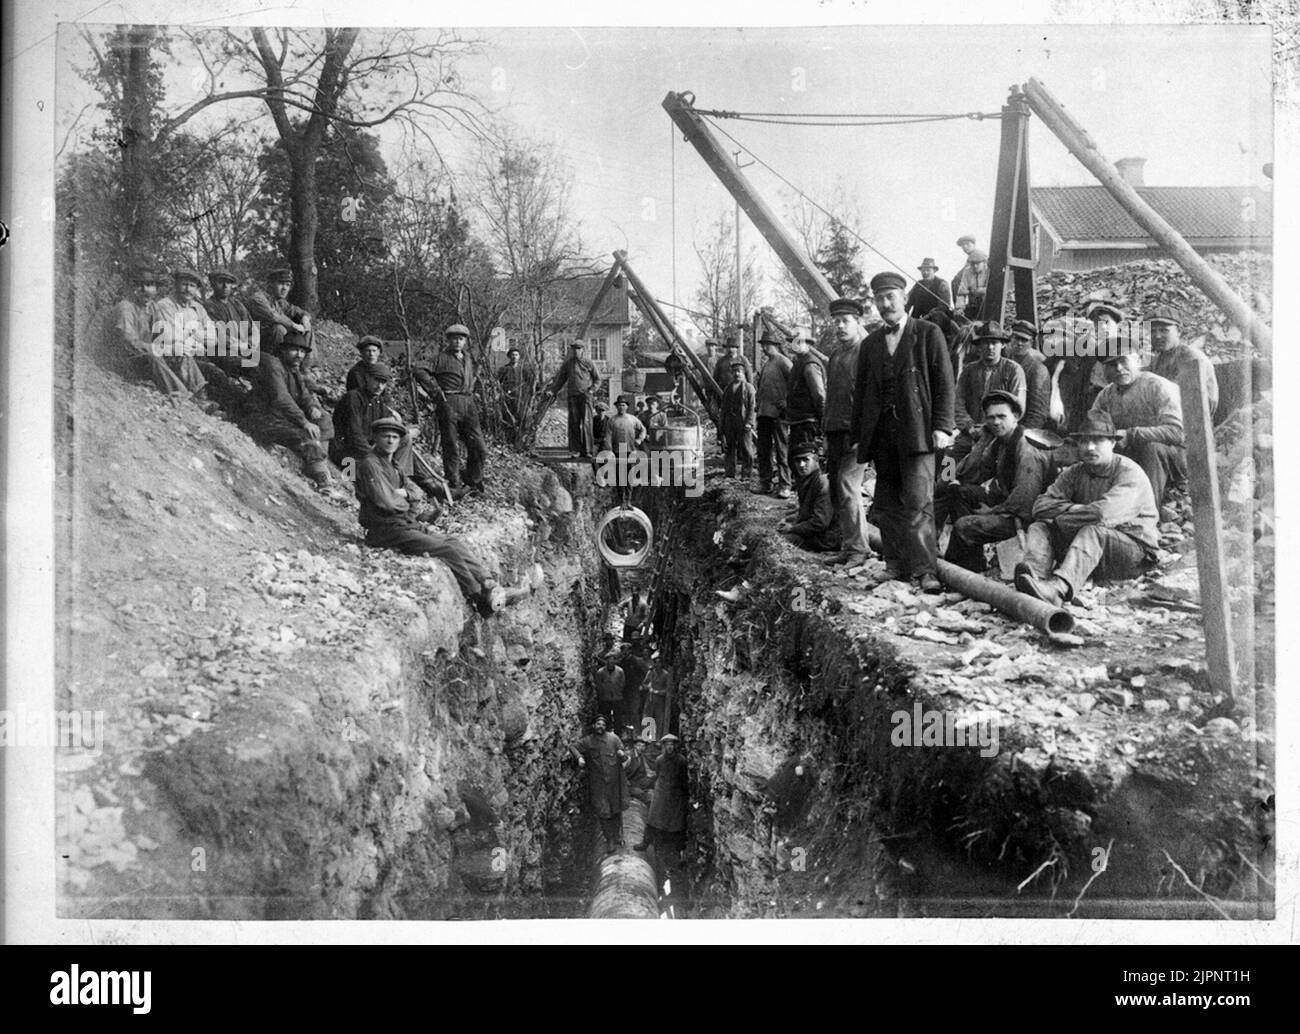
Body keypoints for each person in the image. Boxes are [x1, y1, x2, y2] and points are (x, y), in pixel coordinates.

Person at [353, 416, 528, 614]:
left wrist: (407, 495)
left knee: (453, 542)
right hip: (383, 530)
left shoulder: (393, 464)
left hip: (402, 524)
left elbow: (415, 493)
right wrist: (404, 500)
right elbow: (387, 502)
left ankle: (490, 585)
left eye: (395, 437)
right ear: (375, 437)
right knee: (446, 550)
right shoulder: (370, 464)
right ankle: (479, 598)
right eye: (386, 436)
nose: (391, 441)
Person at [851, 271, 956, 593]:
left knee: (919, 502)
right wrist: (860, 435)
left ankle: (925, 570)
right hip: (883, 437)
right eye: (880, 299)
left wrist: (942, 426)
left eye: (891, 297)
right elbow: (863, 392)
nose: (885, 304)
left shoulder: (928, 333)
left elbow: (944, 383)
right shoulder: (869, 344)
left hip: (917, 434)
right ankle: (894, 564)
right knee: (886, 503)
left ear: (905, 298)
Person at [1015, 412, 1158, 606]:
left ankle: (1058, 589)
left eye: (1098, 441)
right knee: (1040, 526)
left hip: (1133, 553)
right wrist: (1076, 508)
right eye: (1084, 441)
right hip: (1088, 551)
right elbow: (1040, 507)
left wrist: (1062, 518)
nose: (1090, 447)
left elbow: (1103, 514)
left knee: (1093, 530)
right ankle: (1035, 578)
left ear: (1113, 443)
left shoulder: (1129, 473)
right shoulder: (1075, 472)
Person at [934, 390, 1053, 572]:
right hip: (1007, 504)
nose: (996, 422)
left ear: (1016, 417)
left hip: (1026, 517)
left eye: (1001, 416)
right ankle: (971, 563)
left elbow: (1025, 501)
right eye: (991, 418)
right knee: (957, 490)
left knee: (963, 525)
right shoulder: (998, 441)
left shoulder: (1026, 449)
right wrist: (983, 439)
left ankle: (960, 567)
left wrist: (991, 512)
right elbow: (972, 471)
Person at [1088, 346, 1186, 508]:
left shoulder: (1158, 386)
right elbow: (1093, 428)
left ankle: (1147, 511)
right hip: (1132, 454)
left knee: (1152, 448)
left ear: (1138, 361)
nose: (1119, 368)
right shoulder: (1106, 395)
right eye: (1112, 364)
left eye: (1124, 361)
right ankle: (1096, 508)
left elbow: (1177, 432)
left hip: (1173, 458)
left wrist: (1131, 435)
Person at [240, 329, 335, 489]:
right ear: (283, 350)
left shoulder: (293, 369)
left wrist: (311, 407)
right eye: (294, 350)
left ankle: (320, 466)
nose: (299, 355)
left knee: (324, 419)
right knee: (305, 435)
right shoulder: (273, 365)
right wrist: (304, 421)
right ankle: (323, 481)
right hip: (261, 417)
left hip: (280, 418)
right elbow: (281, 398)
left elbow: (304, 395)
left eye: (302, 351)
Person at [822, 297, 872, 567]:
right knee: (836, 490)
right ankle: (848, 545)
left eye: (845, 321)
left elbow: (872, 398)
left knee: (847, 485)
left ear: (858, 322)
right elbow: (831, 397)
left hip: (856, 433)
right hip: (835, 430)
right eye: (836, 322)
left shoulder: (866, 352)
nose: (840, 326)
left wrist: (864, 434)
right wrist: (825, 432)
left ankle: (858, 550)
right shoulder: (837, 354)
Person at [95, 265, 192, 397]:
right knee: (153, 358)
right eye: (139, 285)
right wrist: (159, 349)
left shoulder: (152, 307)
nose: (145, 290)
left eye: (150, 285)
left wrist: (174, 346)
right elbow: (128, 343)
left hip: (144, 356)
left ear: (156, 289)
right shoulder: (125, 308)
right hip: (124, 361)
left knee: (181, 354)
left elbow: (163, 334)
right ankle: (183, 396)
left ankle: (200, 397)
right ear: (131, 287)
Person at [413, 324, 487, 497]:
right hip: (449, 402)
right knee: (451, 444)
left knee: (479, 447)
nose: (458, 342)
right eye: (454, 338)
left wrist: (474, 393)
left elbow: (475, 375)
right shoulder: (440, 358)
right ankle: (454, 483)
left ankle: (473, 481)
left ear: (466, 341)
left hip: (468, 403)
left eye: (461, 339)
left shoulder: (468, 358)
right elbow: (418, 369)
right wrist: (435, 391)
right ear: (449, 340)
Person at [951, 321, 1027, 469]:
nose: (990, 347)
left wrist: (992, 427)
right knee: (950, 460)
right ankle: (947, 486)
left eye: (994, 343)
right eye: (986, 343)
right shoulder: (968, 371)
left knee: (986, 468)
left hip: (1000, 435)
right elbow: (957, 403)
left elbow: (1018, 407)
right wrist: (970, 427)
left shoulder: (1013, 370)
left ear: (1003, 345)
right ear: (979, 346)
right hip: (970, 434)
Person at [148, 267, 213, 398]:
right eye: (184, 284)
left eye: (192, 286)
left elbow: (213, 337)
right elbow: (172, 337)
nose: (188, 289)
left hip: (200, 352)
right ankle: (203, 402)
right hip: (178, 354)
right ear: (176, 284)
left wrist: (190, 335)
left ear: (196, 289)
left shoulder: (198, 308)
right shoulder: (165, 305)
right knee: (212, 372)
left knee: (222, 369)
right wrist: (198, 335)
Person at [571, 715, 630, 855]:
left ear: (606, 726)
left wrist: (622, 754)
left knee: (616, 809)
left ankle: (617, 835)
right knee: (603, 812)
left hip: (615, 782)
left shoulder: (614, 739)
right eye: (598, 723)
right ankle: (609, 839)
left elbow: (624, 754)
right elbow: (573, 746)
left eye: (603, 724)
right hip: (598, 784)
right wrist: (579, 757)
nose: (600, 726)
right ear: (593, 726)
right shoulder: (588, 741)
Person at [1146, 306, 1218, 420]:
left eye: (1164, 330)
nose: (1157, 336)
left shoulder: (1191, 357)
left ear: (1179, 331)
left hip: (1193, 422)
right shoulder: (1157, 360)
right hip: (1168, 418)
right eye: (1152, 331)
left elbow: (1181, 398)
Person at [634, 734, 689, 880]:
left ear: (675, 746)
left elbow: (684, 780)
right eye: (667, 745)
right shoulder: (659, 760)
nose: (670, 747)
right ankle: (645, 843)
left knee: (675, 822)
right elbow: (658, 775)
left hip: (675, 794)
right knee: (653, 818)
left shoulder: (682, 761)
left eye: (672, 745)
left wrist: (683, 796)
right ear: (664, 746)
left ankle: (676, 853)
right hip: (661, 792)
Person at [778, 440, 838, 553]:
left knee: (778, 542)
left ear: (816, 460)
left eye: (806, 460)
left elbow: (820, 523)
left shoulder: (822, 483)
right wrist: (789, 520)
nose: (801, 465)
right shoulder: (806, 480)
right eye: (798, 460)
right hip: (817, 534)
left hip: (827, 538)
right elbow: (807, 513)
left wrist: (792, 528)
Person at [545, 340, 602, 458]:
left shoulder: (589, 363)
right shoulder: (568, 364)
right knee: (574, 423)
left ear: (583, 350)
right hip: (573, 396)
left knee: (586, 423)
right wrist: (553, 390)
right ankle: (575, 450)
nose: (576, 351)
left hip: (585, 396)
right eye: (574, 349)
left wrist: (591, 390)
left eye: (578, 348)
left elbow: (597, 379)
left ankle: (588, 451)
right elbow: (561, 380)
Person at [754, 330, 793, 498]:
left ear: (775, 346)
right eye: (762, 345)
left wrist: (787, 401)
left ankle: (785, 485)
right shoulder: (767, 364)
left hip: (779, 414)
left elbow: (796, 384)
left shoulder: (784, 362)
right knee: (763, 450)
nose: (763, 348)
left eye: (766, 345)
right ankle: (766, 482)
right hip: (764, 413)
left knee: (782, 450)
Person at [202, 269, 256, 380]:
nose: (225, 286)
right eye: (221, 282)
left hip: (244, 348)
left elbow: (251, 329)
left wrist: (249, 344)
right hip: (220, 351)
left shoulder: (237, 304)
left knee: (268, 361)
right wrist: (237, 345)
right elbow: (217, 334)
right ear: (212, 284)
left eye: (229, 282)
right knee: (250, 366)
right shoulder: (208, 306)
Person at [784, 327, 826, 468]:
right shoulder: (798, 362)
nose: (795, 345)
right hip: (798, 420)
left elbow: (819, 395)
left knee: (806, 459)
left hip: (807, 421)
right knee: (796, 458)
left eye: (799, 342)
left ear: (807, 344)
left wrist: (822, 419)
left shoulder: (810, 365)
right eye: (793, 342)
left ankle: (811, 488)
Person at [246, 267, 312, 352]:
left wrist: (305, 319)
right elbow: (273, 316)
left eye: (287, 285)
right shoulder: (258, 298)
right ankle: (279, 360)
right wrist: (294, 326)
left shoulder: (279, 301)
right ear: (270, 284)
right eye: (281, 283)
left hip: (270, 340)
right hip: (254, 344)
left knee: (307, 327)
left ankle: (309, 363)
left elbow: (298, 311)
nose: (284, 288)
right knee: (279, 329)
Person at [1007, 319, 1052, 431]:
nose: (1019, 343)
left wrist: (1021, 434)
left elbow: (1038, 413)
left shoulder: (1038, 370)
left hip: (1023, 430)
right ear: (1010, 339)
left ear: (1031, 343)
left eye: (1024, 340)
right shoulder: (1004, 363)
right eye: (1016, 338)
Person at [720, 360, 756, 479]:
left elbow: (752, 407)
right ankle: (729, 473)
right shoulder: (727, 389)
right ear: (731, 373)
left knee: (746, 448)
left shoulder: (749, 388)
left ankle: (746, 474)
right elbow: (723, 409)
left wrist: (750, 422)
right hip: (730, 422)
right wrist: (722, 425)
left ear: (743, 373)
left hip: (743, 422)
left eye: (739, 371)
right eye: (735, 371)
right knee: (730, 448)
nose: (737, 374)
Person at [496, 346, 531, 437]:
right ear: (509, 356)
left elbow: (530, 383)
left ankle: (518, 439)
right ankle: (508, 439)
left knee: (520, 418)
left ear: (519, 357)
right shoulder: (504, 369)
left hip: (521, 398)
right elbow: (497, 383)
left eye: (516, 355)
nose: (514, 357)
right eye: (512, 355)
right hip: (507, 398)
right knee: (508, 418)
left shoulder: (523, 370)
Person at [619, 643, 651, 733]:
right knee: (625, 710)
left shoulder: (637, 661)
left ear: (630, 651)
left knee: (635, 710)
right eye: (622, 650)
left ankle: (637, 732)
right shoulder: (621, 662)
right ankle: (627, 732)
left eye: (626, 650)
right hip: (625, 689)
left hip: (635, 689)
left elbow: (647, 673)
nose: (624, 652)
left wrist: (643, 684)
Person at [642, 652, 673, 741]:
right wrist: (648, 686)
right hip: (650, 699)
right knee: (648, 717)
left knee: (659, 719)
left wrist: (657, 692)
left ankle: (658, 738)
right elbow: (644, 684)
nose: (657, 664)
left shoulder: (665, 674)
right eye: (656, 662)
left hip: (659, 700)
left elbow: (667, 690)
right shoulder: (650, 673)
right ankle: (647, 738)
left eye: (659, 662)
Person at [592, 653, 626, 731]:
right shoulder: (600, 672)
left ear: (615, 662)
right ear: (606, 662)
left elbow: (622, 683)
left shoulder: (620, 671)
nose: (611, 663)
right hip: (605, 698)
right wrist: (603, 692)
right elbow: (598, 684)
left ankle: (618, 734)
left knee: (618, 717)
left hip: (617, 697)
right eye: (609, 662)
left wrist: (617, 690)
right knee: (606, 716)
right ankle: (607, 732)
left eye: (612, 661)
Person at [954, 247, 989, 317]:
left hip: (987, 306)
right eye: (972, 264)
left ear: (984, 262)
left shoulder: (989, 272)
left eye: (978, 263)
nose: (975, 266)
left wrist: (981, 291)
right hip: (973, 305)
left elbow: (993, 290)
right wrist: (959, 308)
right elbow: (961, 292)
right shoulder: (967, 272)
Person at [624, 738, 657, 806]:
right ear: (635, 746)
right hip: (627, 784)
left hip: (638, 781)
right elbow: (619, 771)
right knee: (642, 794)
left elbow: (647, 770)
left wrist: (655, 774)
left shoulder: (641, 756)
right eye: (639, 745)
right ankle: (651, 806)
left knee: (655, 783)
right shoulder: (628, 756)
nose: (641, 748)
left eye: (643, 746)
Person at [950, 234, 978, 310]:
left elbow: (960, 277)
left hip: (979, 290)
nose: (965, 247)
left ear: (974, 244)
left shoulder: (976, 256)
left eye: (967, 244)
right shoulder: (970, 258)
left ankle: (959, 308)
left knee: (956, 281)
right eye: (963, 245)